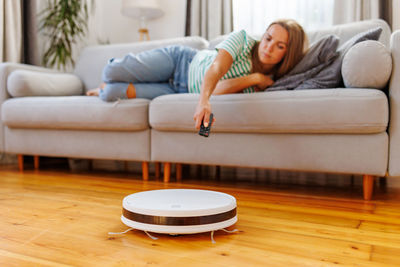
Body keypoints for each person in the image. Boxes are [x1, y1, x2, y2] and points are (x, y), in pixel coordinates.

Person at [87, 19, 307, 130]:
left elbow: (220, 89)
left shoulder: (268, 83)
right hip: (180, 63)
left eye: (280, 46)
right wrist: (204, 102)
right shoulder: (242, 39)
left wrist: (255, 79)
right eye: (268, 38)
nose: (268, 48)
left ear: (288, 53)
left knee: (109, 93)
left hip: (179, 90)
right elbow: (216, 69)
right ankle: (108, 81)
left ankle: (101, 89)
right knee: (110, 70)